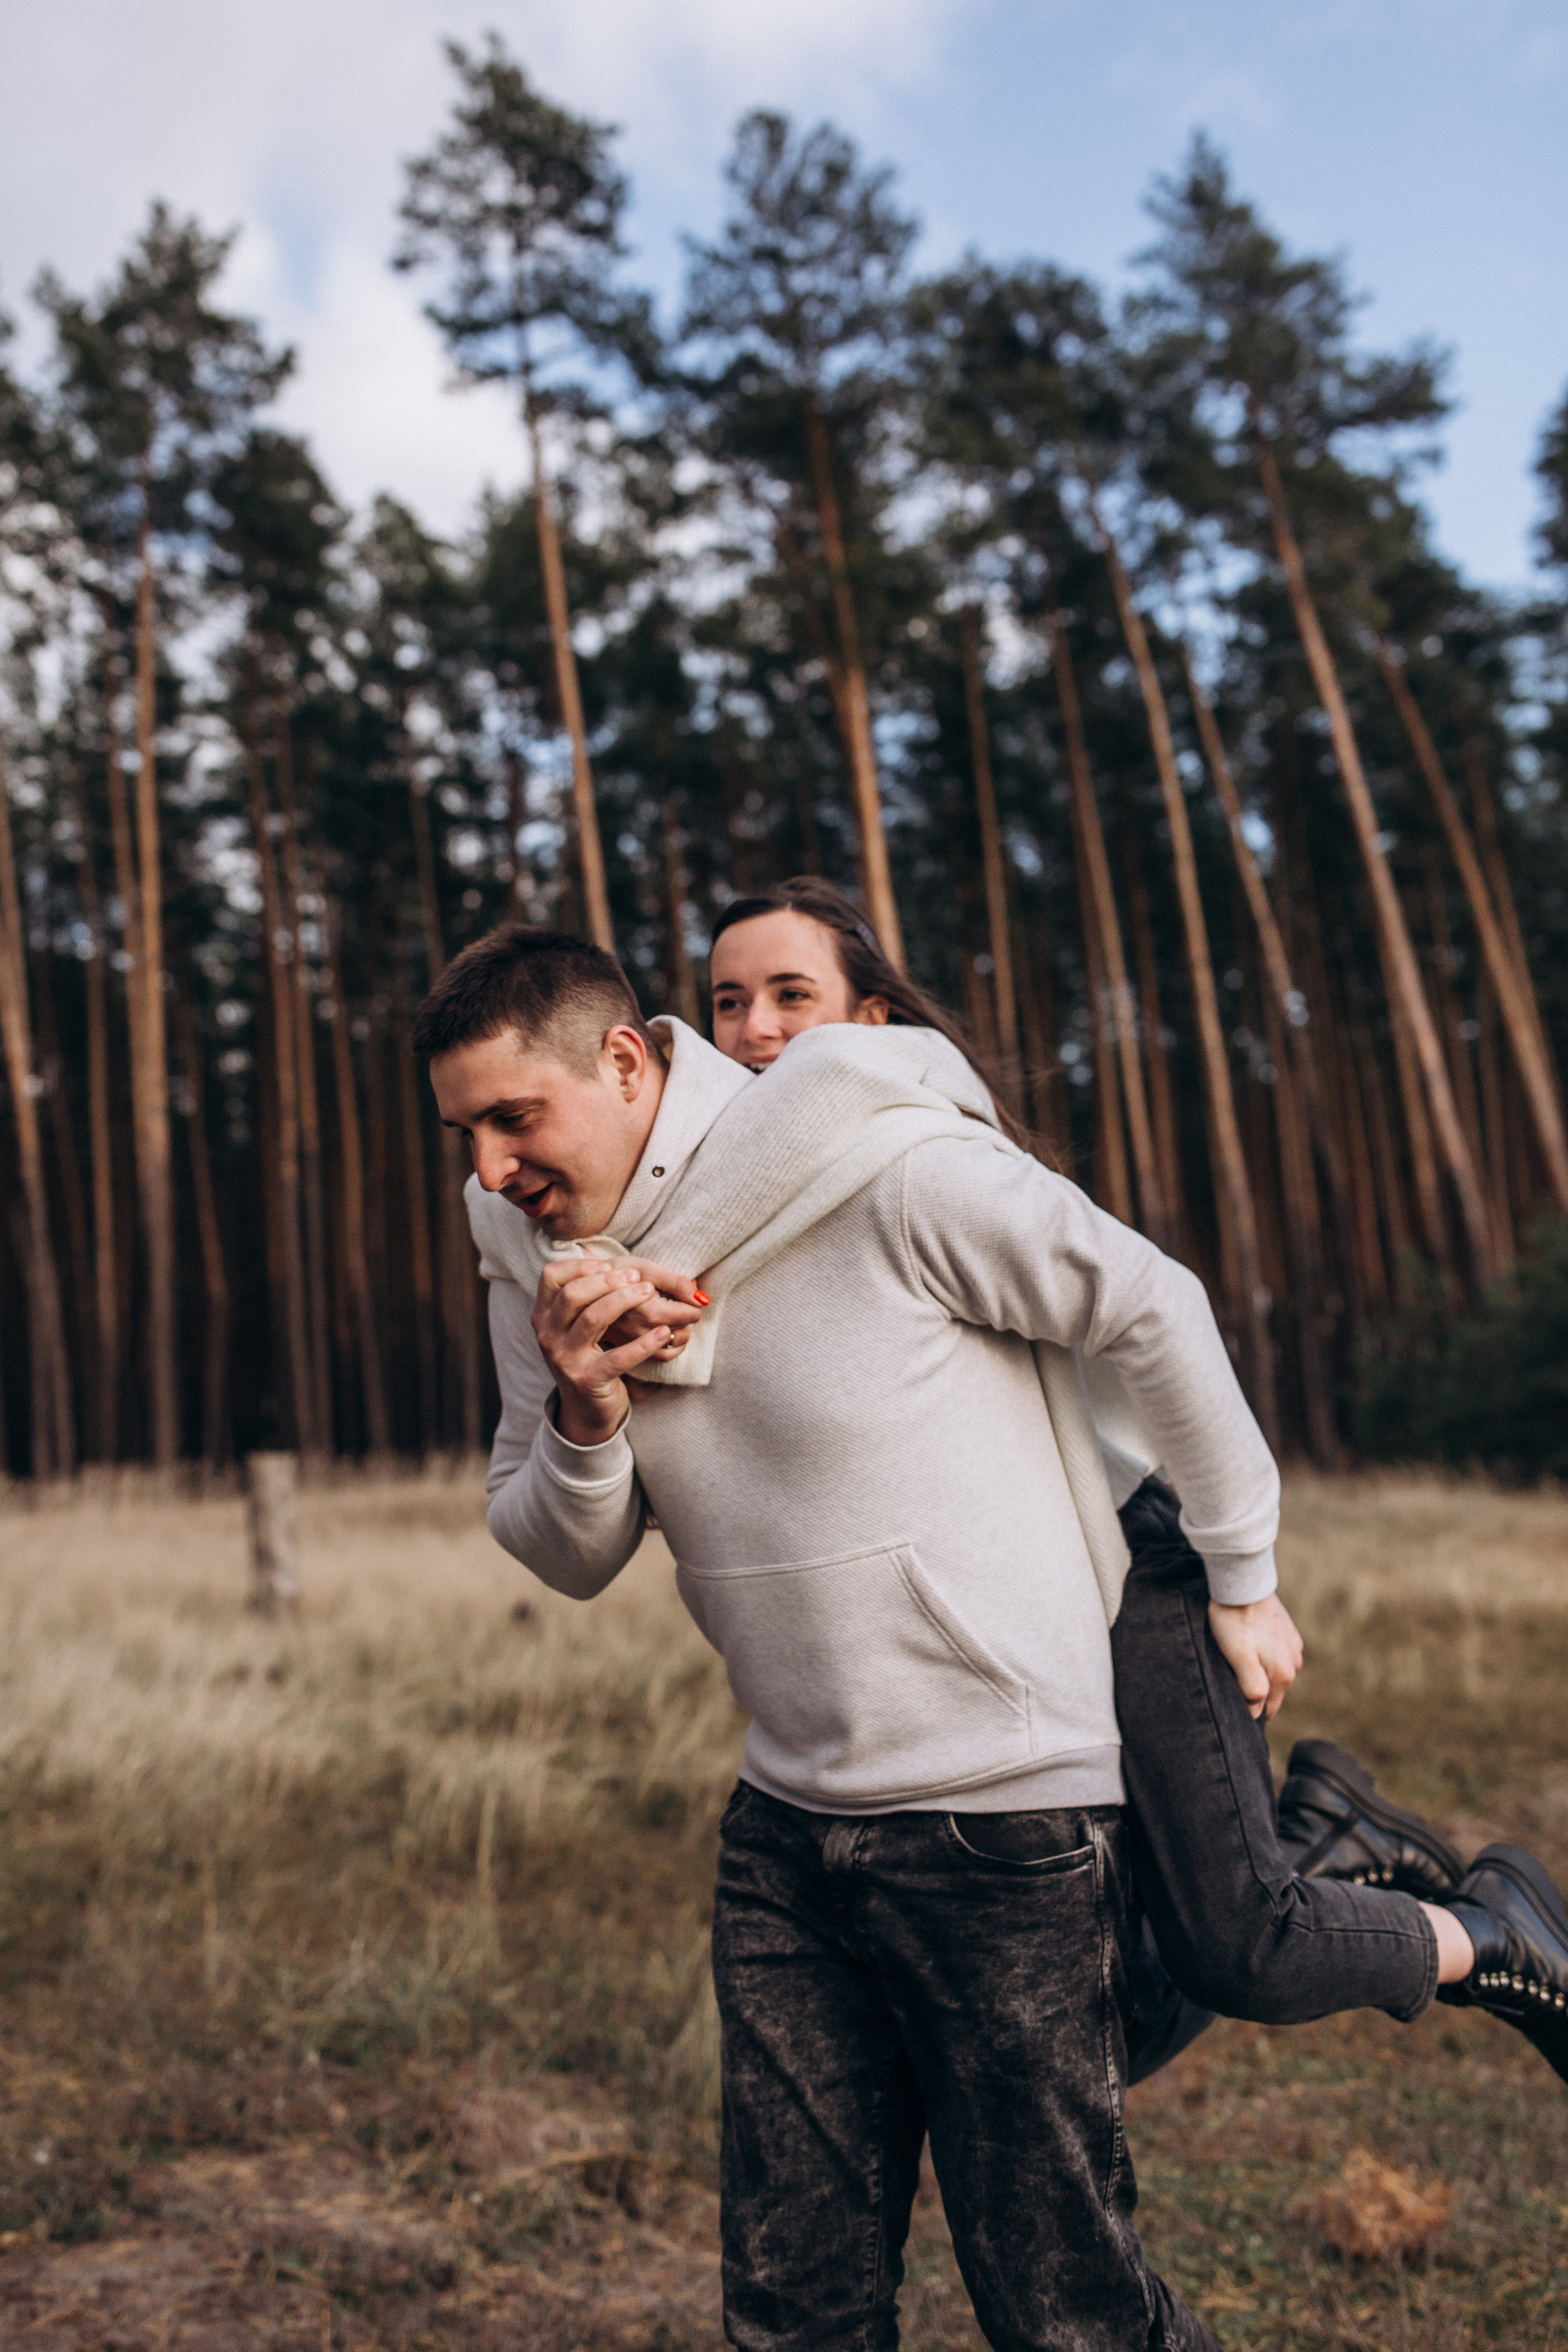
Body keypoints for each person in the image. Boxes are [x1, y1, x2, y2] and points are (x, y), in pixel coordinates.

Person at [413, 922, 1566, 2352]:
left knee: (1060, 2311)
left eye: (514, 1119)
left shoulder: (869, 1162)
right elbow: (554, 1547)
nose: (488, 1169)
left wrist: (1239, 1568)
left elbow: (1150, 1304)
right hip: (782, 1826)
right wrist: (586, 1415)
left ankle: (1377, 1896)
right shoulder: (537, 1260)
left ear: (628, 1061)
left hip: (994, 1818)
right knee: (791, 2307)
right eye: (463, 1133)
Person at [703, 878, 1568, 2090]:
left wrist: (1240, 1579)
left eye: (791, 994)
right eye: (726, 1000)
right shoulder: (740, 1216)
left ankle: (1491, 1936)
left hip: (1135, 1568)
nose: (753, 1026)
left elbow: (1157, 1309)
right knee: (1075, 2026)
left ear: (875, 1022)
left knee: (1236, 1949)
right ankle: (1326, 1839)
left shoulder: (924, 1166)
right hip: (1017, 1609)